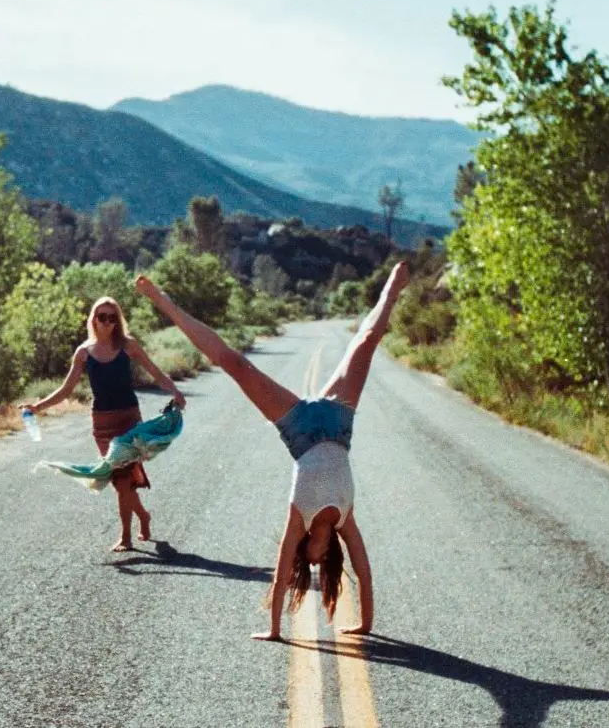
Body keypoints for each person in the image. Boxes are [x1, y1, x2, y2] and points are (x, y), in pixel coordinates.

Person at [134, 261, 409, 640]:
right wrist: (367, 625)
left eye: (307, 554)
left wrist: (275, 630)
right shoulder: (346, 521)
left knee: (234, 364)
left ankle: (161, 300)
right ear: (328, 551)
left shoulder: (299, 520)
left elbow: (281, 575)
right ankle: (393, 288)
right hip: (338, 422)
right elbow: (364, 572)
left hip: (297, 429)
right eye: (318, 554)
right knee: (365, 342)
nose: (314, 550)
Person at [19, 296, 186, 552]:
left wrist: (175, 391)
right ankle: (143, 516)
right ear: (93, 320)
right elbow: (66, 389)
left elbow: (155, 372)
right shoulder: (84, 353)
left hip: (129, 419)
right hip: (103, 423)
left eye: (112, 317)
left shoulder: (128, 346)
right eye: (102, 317)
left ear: (118, 321)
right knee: (122, 479)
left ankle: (126, 537)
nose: (107, 322)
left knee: (122, 481)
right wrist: (37, 407)